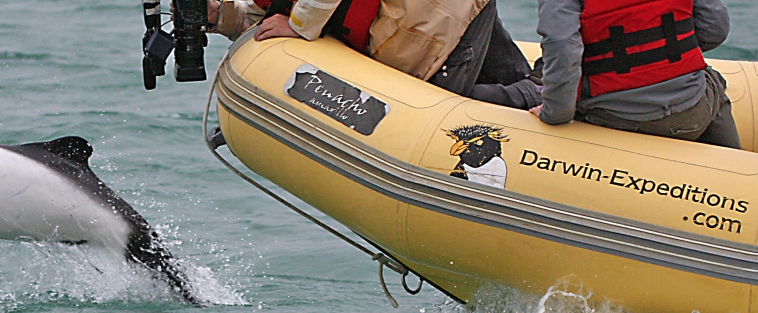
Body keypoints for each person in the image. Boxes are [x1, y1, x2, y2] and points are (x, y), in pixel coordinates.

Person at [206, 0, 544, 110]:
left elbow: (296, 17)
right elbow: (275, 11)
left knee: (445, 107)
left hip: (433, 26)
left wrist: (300, 23)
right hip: (417, 25)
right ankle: (539, 86)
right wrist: (220, 14)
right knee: (501, 72)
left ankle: (537, 92)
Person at [530, 0, 741, 149]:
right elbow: (715, 28)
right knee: (713, 82)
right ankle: (738, 180)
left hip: (612, 116)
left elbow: (563, 49)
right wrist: (666, 55)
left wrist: (555, 114)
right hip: (691, 111)